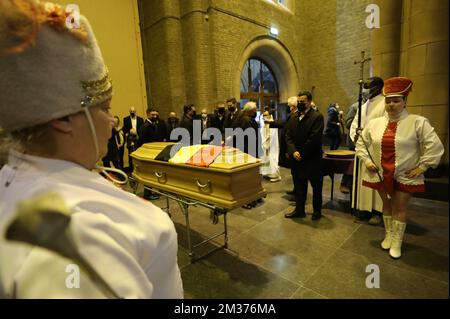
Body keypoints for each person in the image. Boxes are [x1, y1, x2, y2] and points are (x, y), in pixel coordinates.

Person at [0, 0, 183, 298]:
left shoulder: (13, 175)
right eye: (105, 108)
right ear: (63, 120)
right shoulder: (80, 233)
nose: (112, 121)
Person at [356, 77, 444, 259]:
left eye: (396, 101)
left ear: (405, 101)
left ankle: (397, 242)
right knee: (386, 205)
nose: (391, 105)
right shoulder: (375, 123)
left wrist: (423, 167)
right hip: (379, 172)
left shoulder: (418, 122)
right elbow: (361, 143)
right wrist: (367, 161)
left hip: (404, 174)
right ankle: (389, 235)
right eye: (388, 101)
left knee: (399, 207)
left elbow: (435, 145)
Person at [350, 76, 386, 225]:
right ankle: (364, 208)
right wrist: (356, 134)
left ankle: (378, 211)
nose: (365, 90)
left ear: (378, 87)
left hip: (376, 149)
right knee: (363, 181)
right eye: (364, 86)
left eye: (368, 87)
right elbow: (354, 123)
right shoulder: (363, 106)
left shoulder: (385, 103)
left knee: (376, 179)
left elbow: (387, 124)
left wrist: (367, 133)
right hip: (363, 147)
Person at [285, 91, 325, 221]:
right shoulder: (293, 117)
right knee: (299, 187)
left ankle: (317, 211)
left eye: (303, 101)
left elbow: (314, 138)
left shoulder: (317, 117)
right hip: (296, 158)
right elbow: (288, 136)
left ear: (309, 101)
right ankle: (299, 210)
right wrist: (293, 151)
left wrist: (301, 153)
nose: (300, 103)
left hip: (312, 158)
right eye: (299, 101)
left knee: (316, 187)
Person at [260, 111, 281, 182]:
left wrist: (267, 144)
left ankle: (276, 176)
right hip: (265, 145)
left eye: (266, 115)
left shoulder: (273, 123)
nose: (265, 116)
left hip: (272, 145)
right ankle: (268, 174)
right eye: (263, 115)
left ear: (270, 115)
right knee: (266, 159)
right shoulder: (264, 124)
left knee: (273, 159)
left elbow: (272, 135)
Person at [123, 106, 144, 172]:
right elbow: (125, 129)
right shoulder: (126, 119)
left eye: (133, 111)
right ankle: (132, 170)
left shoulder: (140, 119)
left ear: (135, 112)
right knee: (131, 155)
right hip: (130, 139)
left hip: (138, 138)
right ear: (129, 112)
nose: (132, 112)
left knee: (139, 154)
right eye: (131, 111)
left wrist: (139, 135)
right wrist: (128, 133)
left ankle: (140, 169)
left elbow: (142, 129)